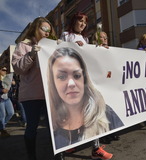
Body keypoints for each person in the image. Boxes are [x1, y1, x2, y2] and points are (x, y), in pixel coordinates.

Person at [59, 11, 116, 159]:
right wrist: (72, 46)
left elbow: (90, 57)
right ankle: (71, 144)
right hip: (72, 81)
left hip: (86, 81)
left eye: (85, 22)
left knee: (93, 112)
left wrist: (102, 50)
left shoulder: (85, 38)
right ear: (74, 21)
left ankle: (95, 148)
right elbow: (59, 53)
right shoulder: (65, 35)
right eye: (80, 21)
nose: (83, 24)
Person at [47, 47, 124, 156]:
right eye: (62, 76)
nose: (71, 84)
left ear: (84, 78)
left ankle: (96, 148)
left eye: (77, 75)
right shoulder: (52, 119)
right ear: (52, 81)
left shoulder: (106, 112)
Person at [11, 17, 63, 160]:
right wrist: (31, 55)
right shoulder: (24, 45)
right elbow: (18, 68)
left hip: (50, 94)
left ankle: (60, 154)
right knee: (32, 128)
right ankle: (31, 156)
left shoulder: (52, 45)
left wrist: (61, 49)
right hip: (32, 95)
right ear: (35, 29)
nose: (47, 32)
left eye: (49, 30)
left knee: (55, 128)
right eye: (43, 29)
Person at [0, 66, 15, 138]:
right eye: (3, 70)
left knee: (11, 113)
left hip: (7, 98)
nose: (5, 71)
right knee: (2, 115)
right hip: (1, 99)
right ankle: (2, 130)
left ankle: (2, 126)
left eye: (5, 70)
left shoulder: (6, 76)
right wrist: (1, 90)